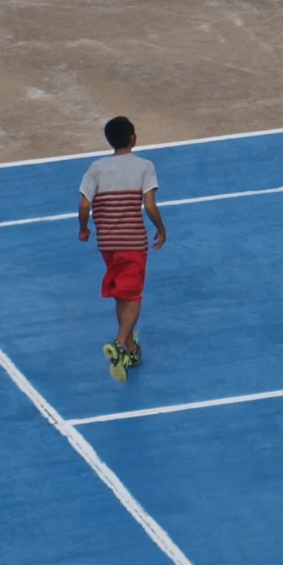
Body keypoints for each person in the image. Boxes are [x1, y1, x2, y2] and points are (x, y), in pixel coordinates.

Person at [78, 114, 166, 381]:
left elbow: (84, 205)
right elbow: (149, 205)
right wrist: (161, 229)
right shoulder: (144, 166)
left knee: (121, 294)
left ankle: (129, 348)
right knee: (135, 296)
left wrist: (83, 229)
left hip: (107, 244)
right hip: (133, 243)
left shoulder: (96, 168)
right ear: (133, 138)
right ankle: (118, 343)